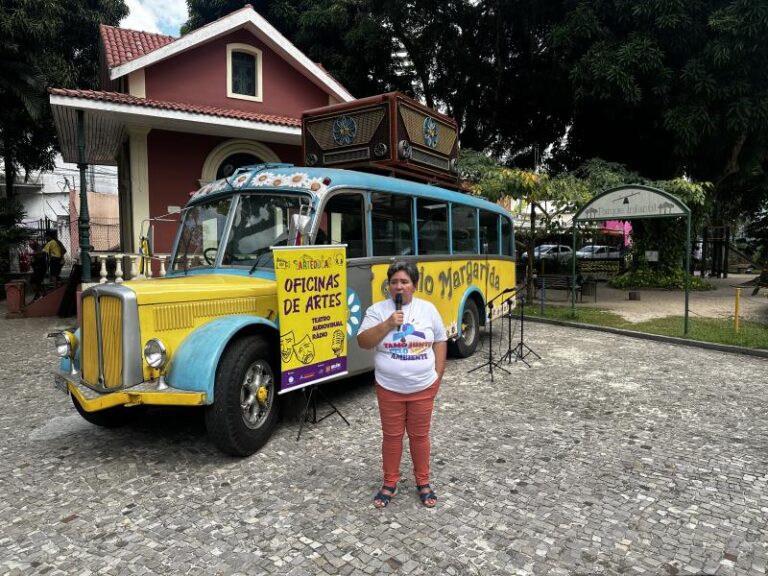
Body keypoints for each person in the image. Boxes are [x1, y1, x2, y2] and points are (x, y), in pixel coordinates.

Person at [357, 261, 447, 508]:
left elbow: (440, 339)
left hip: (423, 387)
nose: (399, 286)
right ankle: (390, 482)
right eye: (394, 282)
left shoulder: (428, 309)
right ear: (388, 286)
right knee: (392, 437)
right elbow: (363, 342)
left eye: (404, 282)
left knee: (420, 436)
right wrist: (388, 324)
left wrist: (437, 374)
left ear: (414, 286)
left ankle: (423, 482)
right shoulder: (377, 311)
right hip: (389, 388)